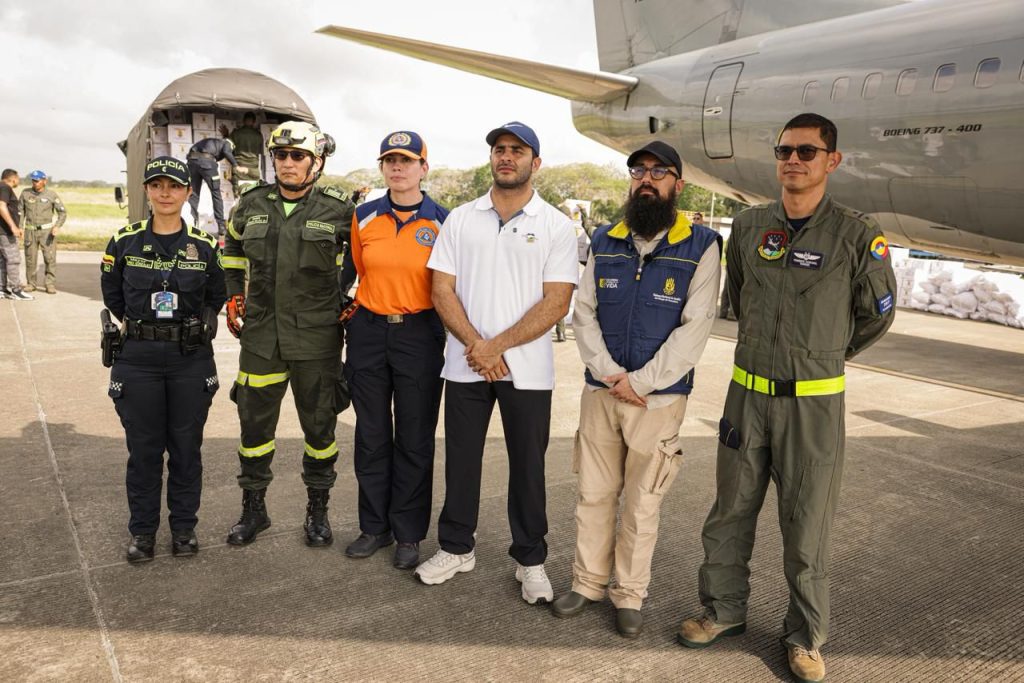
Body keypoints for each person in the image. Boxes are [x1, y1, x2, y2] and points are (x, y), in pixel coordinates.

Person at [677, 113, 897, 683]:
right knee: (729, 513)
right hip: (746, 398)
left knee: (807, 525)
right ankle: (723, 611)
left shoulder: (854, 232)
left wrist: (822, 355)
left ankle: (804, 638)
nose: (792, 160)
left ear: (831, 160)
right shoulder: (749, 227)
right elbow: (741, 299)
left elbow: (876, 315)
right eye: (784, 151)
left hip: (813, 406)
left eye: (806, 151)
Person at [550, 141, 721, 638]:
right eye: (639, 171)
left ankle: (629, 594)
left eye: (659, 172)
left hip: (659, 399)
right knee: (593, 494)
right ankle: (587, 585)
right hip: (601, 393)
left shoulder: (702, 245)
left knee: (643, 502)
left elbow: (696, 326)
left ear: (677, 185)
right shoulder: (606, 238)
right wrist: (608, 374)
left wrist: (641, 382)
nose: (647, 179)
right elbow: (583, 312)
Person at [415, 121, 578, 605]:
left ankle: (530, 561)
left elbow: (557, 302)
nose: (506, 157)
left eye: (517, 150)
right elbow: (440, 288)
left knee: (528, 466)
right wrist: (477, 346)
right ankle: (456, 547)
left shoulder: (555, 225)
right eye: (500, 150)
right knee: (461, 460)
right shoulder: (462, 218)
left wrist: (496, 346)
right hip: (467, 364)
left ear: (536, 162)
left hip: (526, 371)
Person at [221, 121, 354, 548]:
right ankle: (253, 510)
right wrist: (232, 296)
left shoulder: (340, 209)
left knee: (320, 430)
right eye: (281, 156)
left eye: (298, 156)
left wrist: (352, 296)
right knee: (254, 429)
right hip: (261, 337)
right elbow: (233, 248)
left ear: (317, 162)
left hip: (317, 338)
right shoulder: (251, 204)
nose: (288, 163)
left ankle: (318, 512)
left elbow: (367, 258)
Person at [99, 156, 225, 562]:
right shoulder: (124, 241)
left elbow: (216, 295)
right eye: (157, 185)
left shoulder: (204, 246)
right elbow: (113, 295)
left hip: (190, 358)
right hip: (138, 358)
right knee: (145, 452)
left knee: (187, 449)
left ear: (189, 192)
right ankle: (143, 533)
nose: (165, 193)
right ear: (147, 191)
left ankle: (184, 529)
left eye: (174, 186)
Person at [342, 131, 449, 570]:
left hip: (419, 334)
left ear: (424, 168)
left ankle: (407, 533)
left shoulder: (444, 220)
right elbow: (358, 270)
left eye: (406, 160)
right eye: (389, 160)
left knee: (414, 437)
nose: (397, 168)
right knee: (370, 435)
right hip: (368, 331)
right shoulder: (364, 216)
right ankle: (374, 527)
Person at [186, 136, 247, 238]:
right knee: (216, 194)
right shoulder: (227, 143)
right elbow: (227, 152)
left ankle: (193, 224)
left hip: (192, 161)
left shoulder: (212, 142)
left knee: (193, 194)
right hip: (207, 163)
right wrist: (236, 166)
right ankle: (221, 226)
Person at [20, 170, 67, 294]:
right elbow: (21, 212)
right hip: (30, 231)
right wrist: (20, 227)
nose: (34, 183)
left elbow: (62, 212)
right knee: (30, 259)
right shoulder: (25, 193)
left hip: (47, 233)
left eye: (37, 180)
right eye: (33, 180)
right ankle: (31, 284)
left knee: (49, 258)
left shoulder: (51, 195)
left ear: (44, 181)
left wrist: (57, 226)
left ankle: (49, 284)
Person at [0, 169, 32, 301]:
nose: (19, 181)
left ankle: (2, 289)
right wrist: (13, 226)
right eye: (18, 179)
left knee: (2, 260)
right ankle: (16, 290)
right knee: (13, 260)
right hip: (5, 232)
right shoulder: (5, 188)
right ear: (12, 179)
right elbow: (2, 206)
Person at [225, 112, 265, 185]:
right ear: (254, 122)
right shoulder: (259, 135)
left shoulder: (236, 133)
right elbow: (261, 150)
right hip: (253, 168)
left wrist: (225, 135)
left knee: (238, 193)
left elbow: (227, 147)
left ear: (243, 121)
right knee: (252, 191)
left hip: (239, 166)